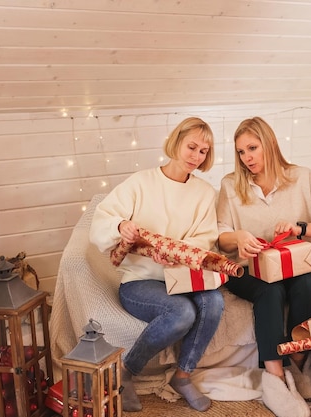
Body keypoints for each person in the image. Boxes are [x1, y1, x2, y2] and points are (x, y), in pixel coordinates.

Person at [89, 117, 224, 413]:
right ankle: (125, 372)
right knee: (181, 313)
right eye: (191, 147)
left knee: (213, 302)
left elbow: (204, 239)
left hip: (183, 276)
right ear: (176, 142)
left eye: (203, 151)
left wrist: (174, 256)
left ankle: (183, 375)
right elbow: (104, 218)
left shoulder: (204, 193)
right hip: (140, 281)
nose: (196, 156)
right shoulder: (141, 182)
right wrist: (120, 225)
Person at [216, 116, 311, 417]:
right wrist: (238, 238)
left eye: (252, 148)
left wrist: (301, 229)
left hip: (292, 262)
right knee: (270, 291)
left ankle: (300, 362)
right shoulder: (230, 186)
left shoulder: (302, 177)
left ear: (269, 144)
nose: (247, 158)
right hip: (245, 268)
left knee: (305, 286)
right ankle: (275, 379)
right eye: (240, 152)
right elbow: (220, 239)